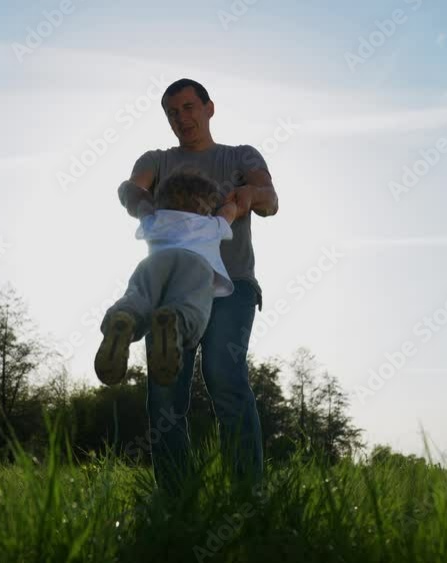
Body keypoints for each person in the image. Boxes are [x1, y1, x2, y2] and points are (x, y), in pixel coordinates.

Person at [114, 78, 279, 492]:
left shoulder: (240, 156)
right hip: (172, 290)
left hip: (232, 285)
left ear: (209, 108)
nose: (181, 118)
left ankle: (246, 493)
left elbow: (271, 199)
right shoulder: (157, 159)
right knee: (165, 390)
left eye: (189, 107)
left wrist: (243, 199)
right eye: (172, 112)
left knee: (224, 374)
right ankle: (176, 497)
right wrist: (146, 207)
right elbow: (131, 187)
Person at [95, 170, 239, 387]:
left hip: (154, 262)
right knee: (191, 303)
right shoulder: (211, 225)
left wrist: (126, 190)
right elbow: (230, 211)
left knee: (139, 296)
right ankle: (176, 322)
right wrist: (231, 202)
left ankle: (124, 317)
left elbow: (136, 201)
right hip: (196, 265)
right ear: (206, 205)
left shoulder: (154, 219)